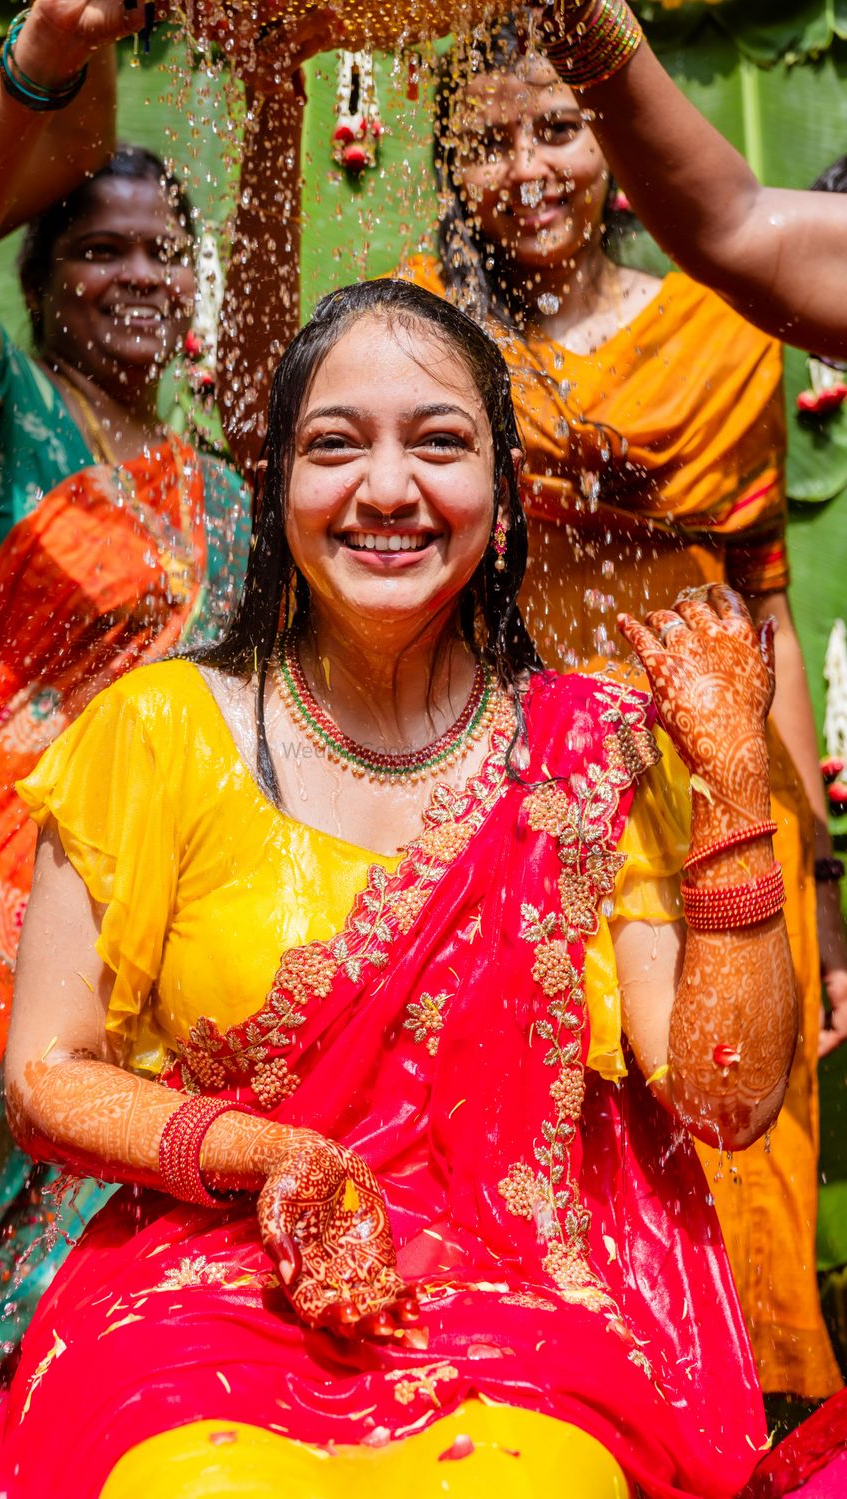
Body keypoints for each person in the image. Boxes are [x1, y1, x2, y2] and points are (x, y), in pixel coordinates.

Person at [0, 279, 797, 1498]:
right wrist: (274, 1156)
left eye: (441, 441)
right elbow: (44, 1075)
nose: (387, 490)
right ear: (280, 488)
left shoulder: (589, 748)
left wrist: (734, 789)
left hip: (515, 1298)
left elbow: (725, 1104)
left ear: (503, 496)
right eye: (334, 444)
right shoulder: (159, 730)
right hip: (208, 1283)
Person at [216, 23, 845, 1405]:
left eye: (557, 127)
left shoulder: (726, 323)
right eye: (489, 141)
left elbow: (770, 612)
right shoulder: (419, 334)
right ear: (451, 161)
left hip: (711, 782)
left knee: (741, 1153)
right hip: (504, 785)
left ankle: (746, 1433)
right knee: (534, 1154)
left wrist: (818, 880)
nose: (530, 167)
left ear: (610, 140)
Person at [0, 5, 249, 1493]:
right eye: (99, 248)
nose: (138, 274)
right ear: (44, 279)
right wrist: (37, 66)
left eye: (164, 250)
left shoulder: (227, 490)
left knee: (107, 1326)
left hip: (149, 972)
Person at [526, 0, 847, 363]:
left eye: (560, 131)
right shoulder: (450, 323)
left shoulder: (704, 331)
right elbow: (735, 225)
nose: (527, 170)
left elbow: (735, 227)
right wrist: (576, 15)